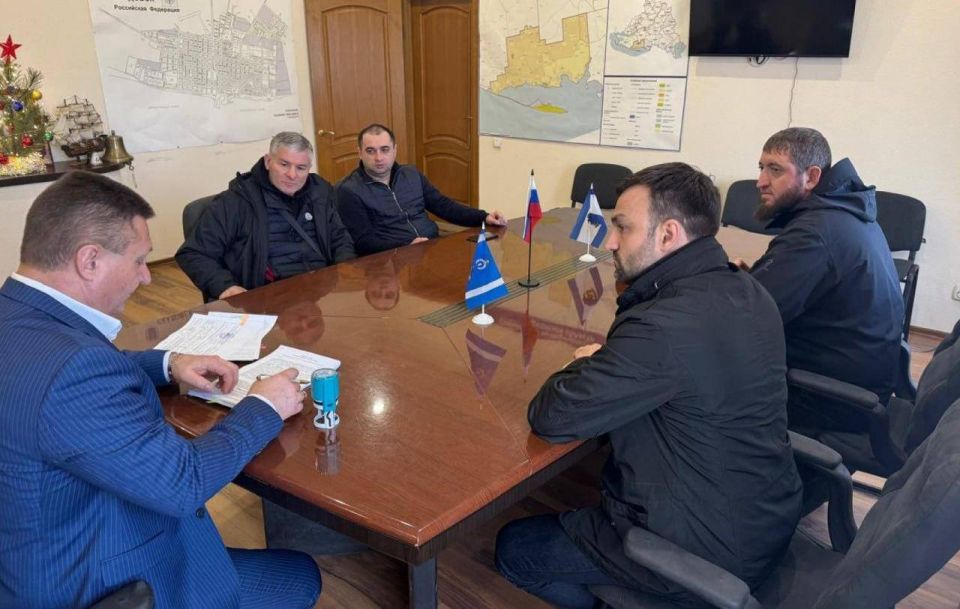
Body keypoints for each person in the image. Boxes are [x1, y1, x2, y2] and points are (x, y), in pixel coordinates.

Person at [0, 171, 321, 609]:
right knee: (301, 577)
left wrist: (170, 363)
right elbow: (184, 482)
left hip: (33, 550)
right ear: (89, 261)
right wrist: (264, 404)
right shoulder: (74, 372)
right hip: (102, 585)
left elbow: (58, 380)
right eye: (139, 260)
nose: (147, 278)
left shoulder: (19, 316)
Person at [495, 163, 802, 609]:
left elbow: (551, 416)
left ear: (668, 234)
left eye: (622, 227)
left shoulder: (662, 327)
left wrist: (589, 362)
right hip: (767, 514)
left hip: (706, 553)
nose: (610, 241)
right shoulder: (747, 289)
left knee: (515, 548)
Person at [748, 127, 904, 433]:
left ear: (812, 177)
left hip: (830, 402)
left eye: (775, 170)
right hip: (861, 384)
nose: (761, 181)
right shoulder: (844, 211)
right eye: (761, 167)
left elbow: (749, 316)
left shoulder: (814, 232)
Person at [176, 131, 355, 301]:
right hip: (267, 298)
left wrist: (343, 267)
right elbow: (193, 253)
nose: (292, 175)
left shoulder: (320, 192)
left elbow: (339, 237)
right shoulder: (236, 201)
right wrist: (225, 287)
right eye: (284, 165)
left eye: (301, 168)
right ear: (268, 161)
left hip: (320, 292)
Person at [335, 123, 507, 255]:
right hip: (390, 260)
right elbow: (363, 241)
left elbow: (443, 205)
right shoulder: (348, 190)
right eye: (370, 151)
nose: (379, 157)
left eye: (384, 150)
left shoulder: (411, 174)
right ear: (360, 153)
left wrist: (483, 217)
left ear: (395, 150)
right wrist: (406, 246)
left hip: (431, 247)